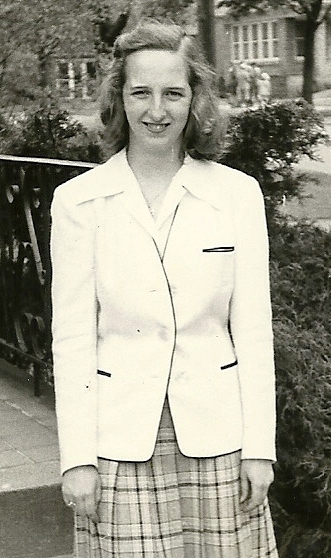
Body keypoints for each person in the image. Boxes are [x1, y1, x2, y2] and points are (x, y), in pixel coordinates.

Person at [50, 19, 278, 558]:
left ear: (194, 99)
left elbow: (252, 330)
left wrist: (260, 449)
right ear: (118, 99)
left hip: (220, 436)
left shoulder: (236, 196)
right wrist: (77, 458)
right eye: (141, 93)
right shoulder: (79, 202)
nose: (157, 110)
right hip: (119, 440)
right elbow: (73, 340)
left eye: (173, 93)